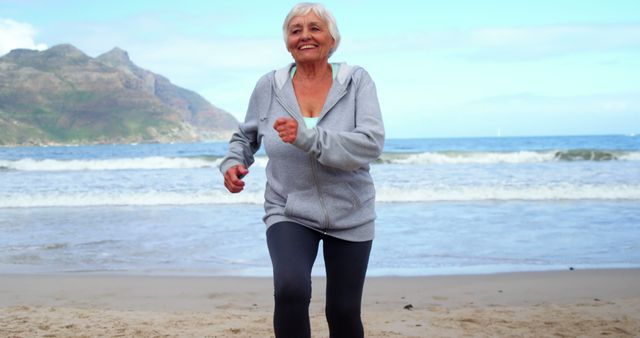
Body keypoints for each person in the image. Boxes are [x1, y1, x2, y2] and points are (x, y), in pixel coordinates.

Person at [220, 2, 384, 337]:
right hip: (288, 208)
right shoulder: (269, 86)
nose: (304, 36)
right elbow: (245, 136)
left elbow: (370, 143)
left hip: (351, 211)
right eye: (296, 30)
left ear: (332, 39)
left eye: (314, 28)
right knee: (291, 290)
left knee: (343, 310)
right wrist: (234, 162)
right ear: (287, 41)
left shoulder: (356, 82)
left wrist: (307, 137)